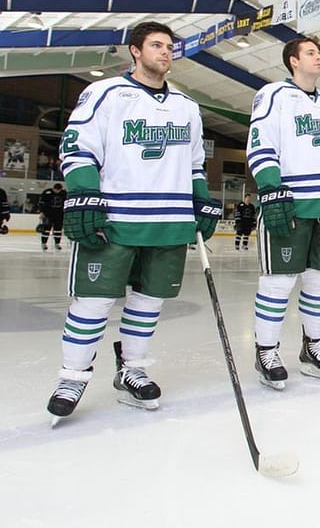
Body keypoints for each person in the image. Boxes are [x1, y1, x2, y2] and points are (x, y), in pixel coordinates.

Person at [45, 21, 221, 421]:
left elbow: (195, 163)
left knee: (148, 302)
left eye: (170, 46)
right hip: (116, 218)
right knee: (93, 302)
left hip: (169, 222)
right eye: (156, 45)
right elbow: (76, 147)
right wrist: (84, 192)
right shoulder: (105, 93)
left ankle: (133, 370)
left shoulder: (186, 106)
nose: (165, 52)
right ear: (135, 51)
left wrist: (201, 200)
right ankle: (72, 376)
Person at [245, 37, 320, 389]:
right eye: (311, 52)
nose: (318, 57)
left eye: (319, 52)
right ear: (293, 61)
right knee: (279, 282)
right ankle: (266, 349)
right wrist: (270, 187)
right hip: (291, 203)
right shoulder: (273, 95)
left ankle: (314, 346)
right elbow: (260, 144)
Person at [37, 182, 67, 251]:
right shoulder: (47, 192)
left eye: (58, 190)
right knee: (46, 229)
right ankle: (44, 243)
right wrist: (41, 212)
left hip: (59, 215)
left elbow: (67, 203)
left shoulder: (64, 193)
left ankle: (57, 244)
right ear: (53, 188)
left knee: (58, 230)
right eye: (56, 190)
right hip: (48, 214)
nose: (57, 191)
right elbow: (41, 203)